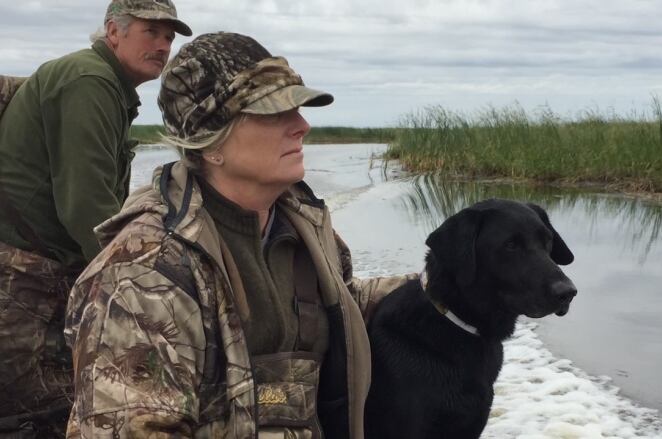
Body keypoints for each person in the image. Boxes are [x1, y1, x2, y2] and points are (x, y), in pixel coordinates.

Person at [64, 32, 414, 438]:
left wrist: (442, 285)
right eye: (273, 114)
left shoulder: (303, 226)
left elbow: (341, 302)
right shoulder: (143, 273)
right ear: (209, 142)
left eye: (297, 109)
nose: (302, 126)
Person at [0, 1, 191, 437]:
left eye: (169, 36)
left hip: (34, 276)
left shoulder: (104, 83)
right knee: (37, 415)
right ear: (113, 32)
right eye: (151, 32)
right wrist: (141, 292)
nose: (163, 45)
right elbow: (86, 207)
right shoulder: (91, 81)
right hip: (23, 283)